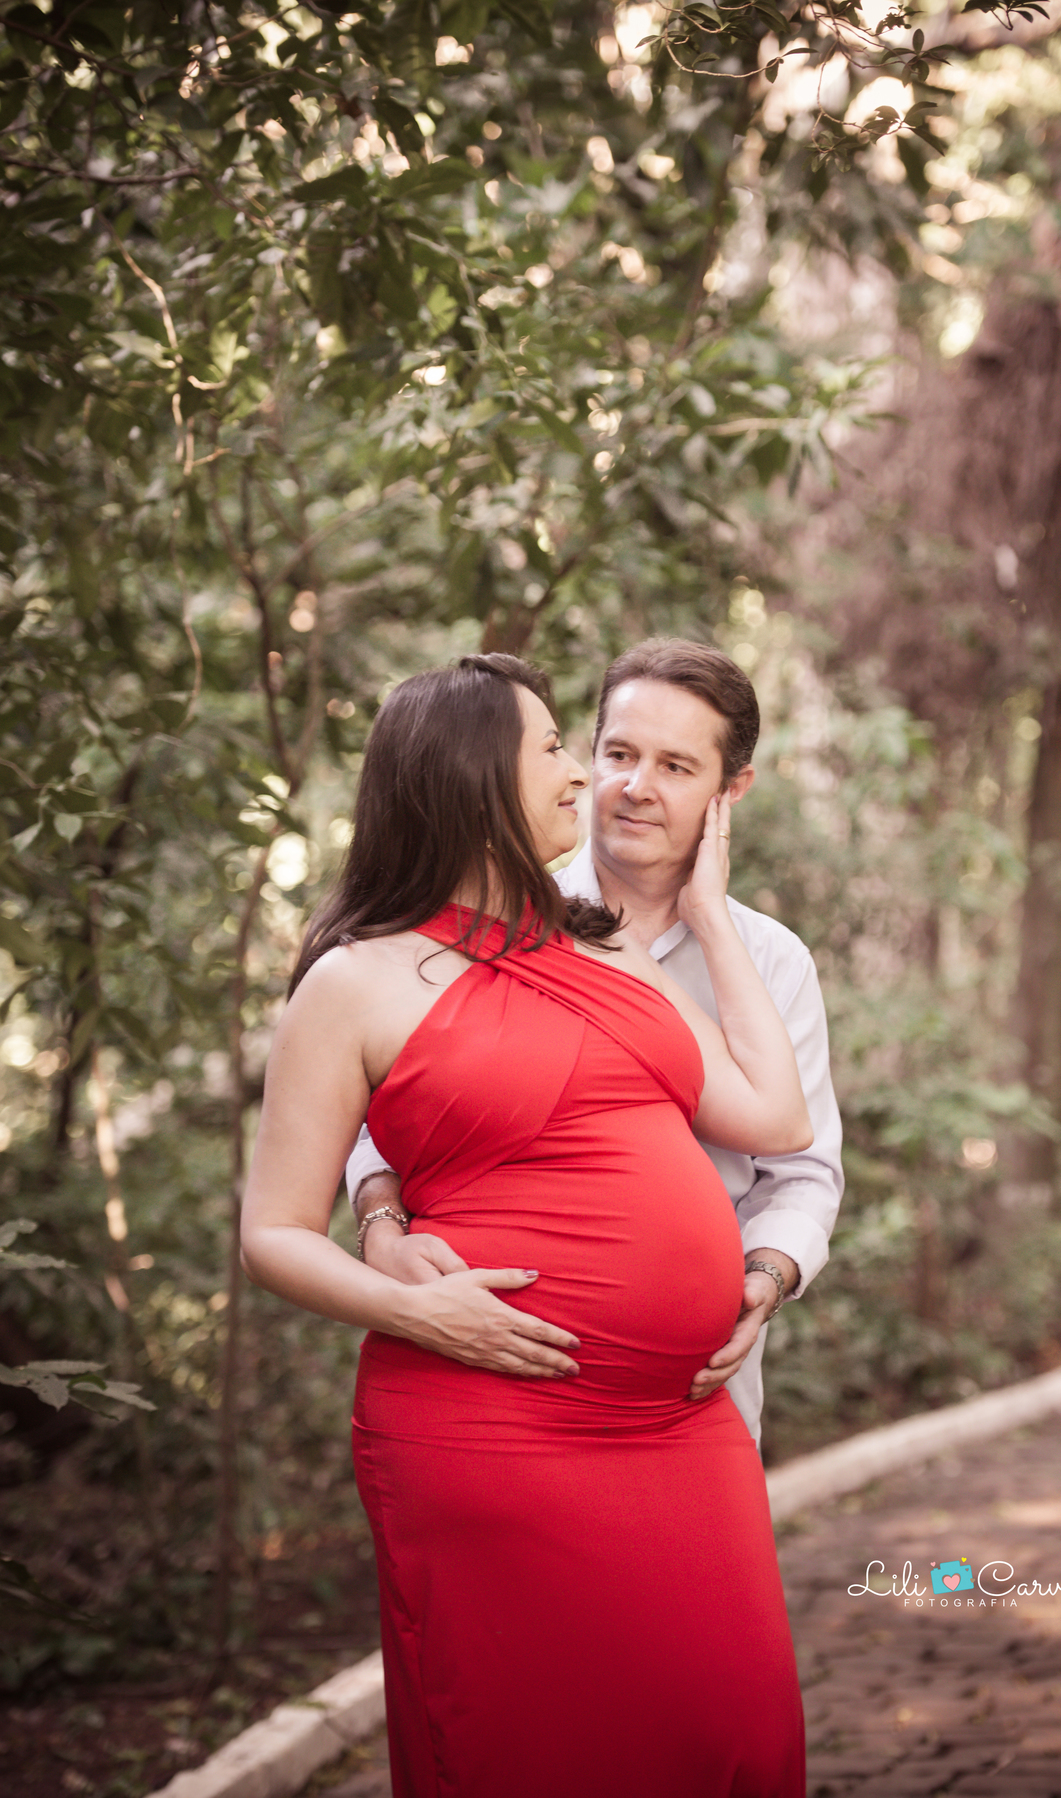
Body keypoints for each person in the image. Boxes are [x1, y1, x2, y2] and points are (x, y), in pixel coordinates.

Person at [240, 652, 811, 1798]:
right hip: (490, 1425)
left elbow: (775, 1113)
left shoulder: (600, 944)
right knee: (532, 1749)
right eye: (557, 746)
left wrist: (705, 913)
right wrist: (413, 1302)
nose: (583, 775)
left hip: (680, 1429)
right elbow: (274, 1231)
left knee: (737, 1735)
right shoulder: (354, 983)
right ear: (470, 774)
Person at [347, 639, 843, 1443]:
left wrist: (764, 1278)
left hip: (690, 1388)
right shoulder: (485, 917)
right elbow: (380, 1104)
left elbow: (803, 1168)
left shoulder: (772, 962)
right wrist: (380, 1223)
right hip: (490, 1362)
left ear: (733, 789)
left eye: (677, 768)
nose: (634, 788)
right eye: (618, 752)